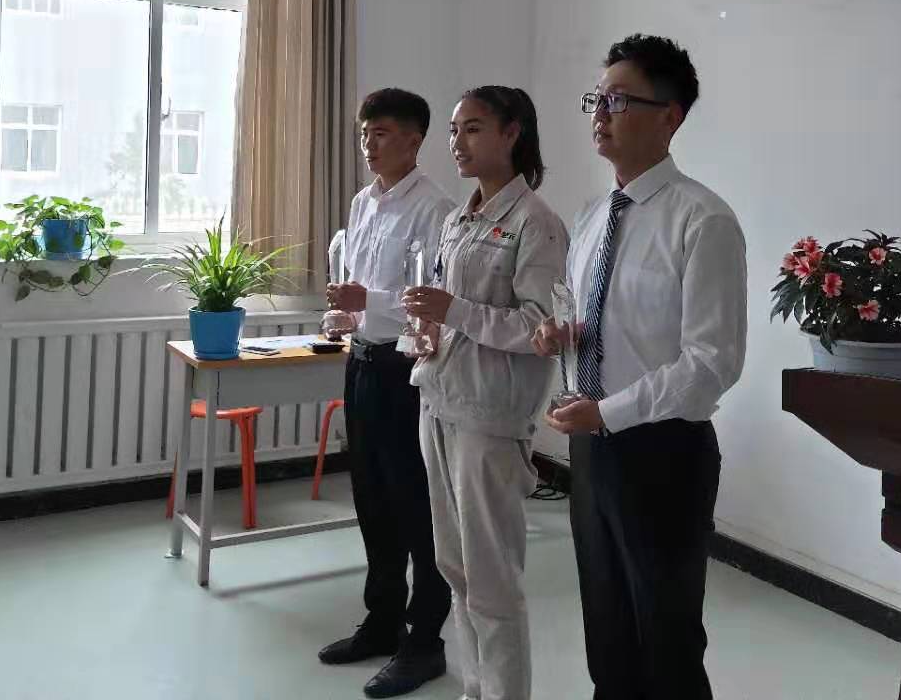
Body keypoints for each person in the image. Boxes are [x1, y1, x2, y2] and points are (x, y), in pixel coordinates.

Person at [534, 34, 747, 700]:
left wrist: (608, 412)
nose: (601, 113)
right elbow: (589, 317)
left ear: (669, 117)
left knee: (666, 639)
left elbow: (711, 362)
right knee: (608, 633)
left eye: (620, 100)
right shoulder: (592, 217)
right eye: (597, 98)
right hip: (592, 450)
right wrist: (558, 335)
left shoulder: (702, 220)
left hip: (664, 454)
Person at [400, 86, 569, 700]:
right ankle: (475, 688)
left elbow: (538, 328)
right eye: (453, 130)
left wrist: (455, 311)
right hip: (439, 398)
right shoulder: (457, 219)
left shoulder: (536, 223)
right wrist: (428, 329)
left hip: (491, 415)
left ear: (511, 133)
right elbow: (449, 311)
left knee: (492, 578)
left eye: (472, 128)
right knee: (454, 567)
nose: (457, 142)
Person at [320, 89, 455, 699]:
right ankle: (381, 622)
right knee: (371, 499)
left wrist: (366, 301)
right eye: (364, 133)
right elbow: (359, 282)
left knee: (416, 506)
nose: (369, 144)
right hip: (363, 363)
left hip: (406, 372)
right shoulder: (363, 202)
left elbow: (430, 300)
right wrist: (348, 314)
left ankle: (425, 640)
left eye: (380, 133)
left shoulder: (435, 208)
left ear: (413, 140)